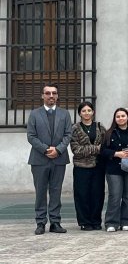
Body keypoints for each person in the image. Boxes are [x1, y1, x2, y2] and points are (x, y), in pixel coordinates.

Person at [27, 83, 72, 235]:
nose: (51, 96)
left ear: (57, 96)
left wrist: (58, 150)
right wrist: (46, 149)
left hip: (59, 159)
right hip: (39, 159)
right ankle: (40, 223)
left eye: (54, 93)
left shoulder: (65, 114)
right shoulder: (34, 114)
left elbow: (68, 135)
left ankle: (55, 222)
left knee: (56, 191)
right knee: (40, 192)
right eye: (48, 93)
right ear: (42, 95)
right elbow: (31, 136)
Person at [70, 101, 107, 231]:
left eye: (89, 110)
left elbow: (105, 147)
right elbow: (76, 150)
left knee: (97, 194)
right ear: (80, 113)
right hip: (81, 166)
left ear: (93, 112)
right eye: (84, 111)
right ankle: (84, 221)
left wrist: (93, 149)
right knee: (82, 194)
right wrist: (96, 148)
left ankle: (96, 220)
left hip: (98, 166)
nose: (87, 113)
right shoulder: (75, 128)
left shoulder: (100, 127)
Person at [102, 108, 128, 232]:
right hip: (114, 169)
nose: (121, 118)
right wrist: (116, 153)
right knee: (115, 196)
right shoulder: (109, 133)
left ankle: (127, 221)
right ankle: (111, 222)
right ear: (115, 119)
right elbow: (103, 151)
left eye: (123, 116)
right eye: (118, 116)